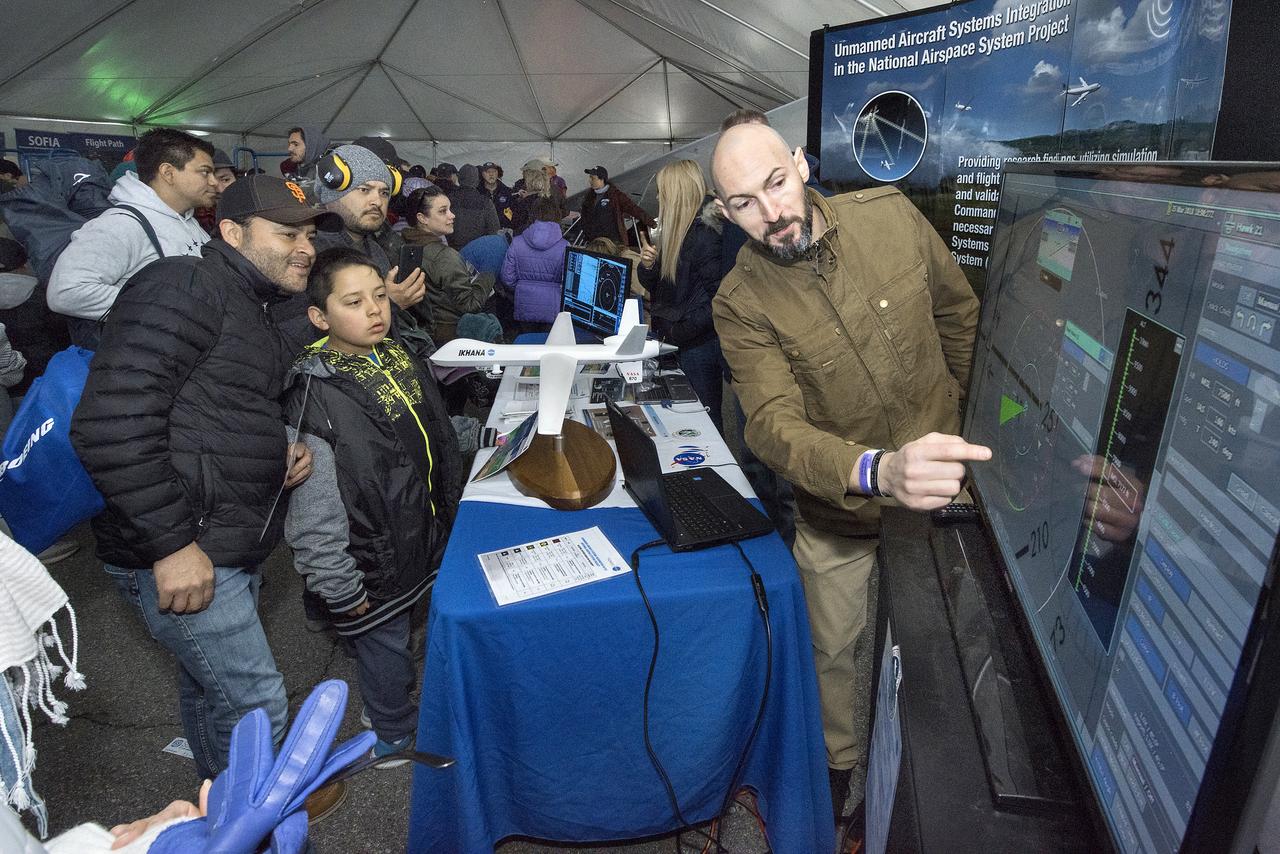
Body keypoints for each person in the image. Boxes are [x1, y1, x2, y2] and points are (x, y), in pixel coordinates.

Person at [708, 120, 991, 823]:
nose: (771, 214)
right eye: (744, 202)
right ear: (724, 211)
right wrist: (875, 471)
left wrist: (986, 442)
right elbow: (772, 423)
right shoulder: (738, 303)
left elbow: (960, 318)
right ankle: (836, 777)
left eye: (776, 184)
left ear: (801, 165)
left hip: (948, 487)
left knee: (962, 645)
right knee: (828, 652)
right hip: (842, 510)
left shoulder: (891, 217)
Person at [69, 176, 339, 783]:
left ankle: (217, 806)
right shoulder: (182, 285)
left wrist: (279, 447)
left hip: (219, 536)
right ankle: (253, 828)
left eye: (310, 235)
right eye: (287, 234)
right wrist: (170, 545)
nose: (305, 249)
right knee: (257, 708)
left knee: (208, 690)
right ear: (232, 232)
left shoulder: (250, 302)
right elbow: (109, 423)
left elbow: (215, 406)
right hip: (183, 544)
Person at [283, 247, 462, 762]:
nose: (376, 311)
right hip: (371, 561)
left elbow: (429, 439)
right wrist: (337, 584)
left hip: (420, 535)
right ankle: (392, 733)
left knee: (405, 635)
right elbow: (313, 513)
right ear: (319, 317)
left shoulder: (397, 354)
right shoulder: (314, 396)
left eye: (380, 297)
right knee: (384, 651)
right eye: (354, 302)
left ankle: (397, 706)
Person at [47, 128, 217, 348]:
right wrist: (166, 306)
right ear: (168, 172)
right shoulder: (120, 224)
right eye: (205, 172)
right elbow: (66, 292)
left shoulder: (187, 219)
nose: (214, 182)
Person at [637, 160, 727, 433]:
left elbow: (719, 301)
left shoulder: (706, 236)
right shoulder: (676, 229)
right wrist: (648, 266)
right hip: (678, 341)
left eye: (661, 191)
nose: (656, 197)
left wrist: (678, 331)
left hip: (698, 348)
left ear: (676, 193)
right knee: (686, 419)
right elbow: (660, 287)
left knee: (705, 424)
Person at [400, 184, 495, 344]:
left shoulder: (404, 245)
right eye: (443, 211)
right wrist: (488, 277)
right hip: (450, 335)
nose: (452, 216)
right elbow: (469, 305)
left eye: (449, 209)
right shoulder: (444, 256)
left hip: (423, 332)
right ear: (422, 218)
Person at [500, 196, 568, 333]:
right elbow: (568, 282)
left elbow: (507, 277)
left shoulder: (517, 242)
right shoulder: (565, 246)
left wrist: (521, 288)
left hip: (524, 306)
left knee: (526, 347)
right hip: (553, 308)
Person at [579, 165, 655, 248]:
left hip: (613, 242)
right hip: (594, 241)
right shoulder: (589, 197)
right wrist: (586, 234)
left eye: (593, 178)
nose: (590, 181)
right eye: (590, 178)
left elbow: (633, 209)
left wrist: (652, 223)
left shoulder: (615, 195)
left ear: (602, 179)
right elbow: (584, 218)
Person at [446, 164, 500, 250]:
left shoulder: (447, 200)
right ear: (477, 181)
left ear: (459, 179)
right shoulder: (485, 202)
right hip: (478, 251)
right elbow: (494, 231)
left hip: (452, 250)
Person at [480, 161, 516, 230]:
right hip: (483, 232)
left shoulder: (507, 192)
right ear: (483, 174)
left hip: (502, 231)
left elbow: (512, 213)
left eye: (494, 171)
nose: (491, 174)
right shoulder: (478, 192)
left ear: (497, 173)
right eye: (488, 172)